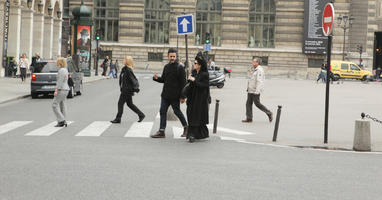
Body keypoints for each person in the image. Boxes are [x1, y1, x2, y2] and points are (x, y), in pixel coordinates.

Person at [151, 48, 188, 138]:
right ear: (168, 56)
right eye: (170, 56)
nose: (172, 58)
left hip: (175, 96)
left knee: (177, 112)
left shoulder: (180, 68)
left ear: (176, 57)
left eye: (174, 56)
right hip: (165, 95)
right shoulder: (166, 67)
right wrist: (156, 78)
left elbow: (184, 83)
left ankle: (186, 128)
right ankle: (161, 131)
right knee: (162, 111)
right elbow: (163, 79)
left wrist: (183, 96)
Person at [111, 56, 145, 124]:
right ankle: (141, 115)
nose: (123, 60)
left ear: (127, 61)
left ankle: (118, 118)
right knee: (130, 104)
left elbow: (134, 79)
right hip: (125, 89)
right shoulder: (124, 69)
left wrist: (136, 88)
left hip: (127, 90)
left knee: (120, 103)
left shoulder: (128, 70)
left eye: (124, 59)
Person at [184, 55, 210, 143]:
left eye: (195, 63)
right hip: (192, 98)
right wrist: (189, 79)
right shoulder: (194, 72)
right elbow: (189, 85)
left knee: (196, 117)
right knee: (190, 114)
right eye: (194, 63)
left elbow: (205, 85)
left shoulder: (204, 74)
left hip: (200, 99)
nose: (194, 64)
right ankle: (198, 134)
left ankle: (192, 135)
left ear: (200, 65)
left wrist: (194, 80)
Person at [242, 57, 273, 123]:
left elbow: (259, 81)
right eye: (252, 61)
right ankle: (249, 118)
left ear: (257, 63)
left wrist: (257, 91)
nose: (252, 63)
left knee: (257, 104)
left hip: (255, 90)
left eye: (254, 62)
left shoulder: (259, 70)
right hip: (250, 90)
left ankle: (269, 113)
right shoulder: (254, 69)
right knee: (248, 104)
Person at [52, 57, 70, 127]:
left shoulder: (61, 70)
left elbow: (60, 82)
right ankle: (63, 120)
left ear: (60, 62)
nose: (56, 63)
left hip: (62, 89)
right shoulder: (65, 70)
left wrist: (56, 90)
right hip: (65, 89)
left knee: (54, 105)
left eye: (57, 61)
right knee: (62, 105)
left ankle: (61, 120)